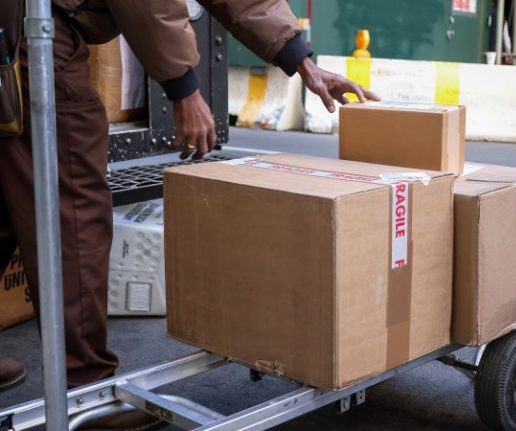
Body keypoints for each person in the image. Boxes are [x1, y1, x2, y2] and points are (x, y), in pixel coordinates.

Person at [0, 1, 378, 429]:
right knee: (72, 201)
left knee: (7, 192)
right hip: (29, 26)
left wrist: (301, 61)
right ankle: (85, 388)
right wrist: (184, 90)